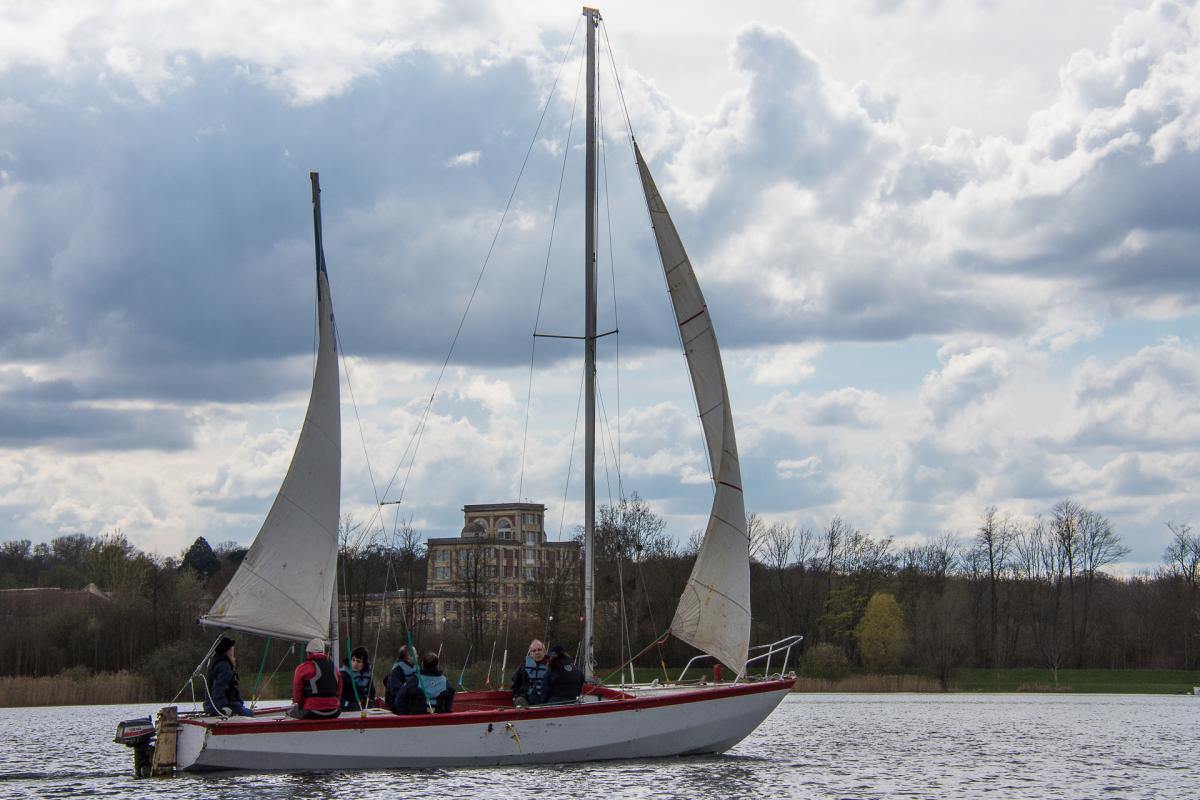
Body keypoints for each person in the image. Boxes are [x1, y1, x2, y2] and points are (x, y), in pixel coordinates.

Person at [287, 637, 342, 720]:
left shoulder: (303, 668)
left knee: (290, 714)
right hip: (334, 711)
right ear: (323, 652)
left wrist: (298, 705)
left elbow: (297, 695)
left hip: (313, 711)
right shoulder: (335, 668)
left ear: (308, 653)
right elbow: (339, 691)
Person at [205, 636, 253, 717]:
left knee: (244, 709)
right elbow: (218, 688)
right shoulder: (225, 667)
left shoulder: (214, 662)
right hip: (222, 706)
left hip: (210, 705)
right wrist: (223, 707)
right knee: (250, 713)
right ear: (228, 651)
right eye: (232, 649)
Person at [385, 647, 426, 715]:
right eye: (415, 654)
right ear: (408, 657)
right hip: (398, 707)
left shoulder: (416, 667)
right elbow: (397, 692)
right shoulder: (397, 670)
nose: (417, 656)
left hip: (413, 704)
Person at [510, 638, 549, 707]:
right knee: (519, 700)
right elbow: (515, 683)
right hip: (527, 699)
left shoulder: (552, 665)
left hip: (546, 699)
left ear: (544, 651)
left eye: (539, 650)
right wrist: (516, 696)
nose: (537, 652)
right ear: (530, 653)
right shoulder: (523, 666)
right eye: (534, 651)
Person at [339, 646, 377, 711]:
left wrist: (369, 704)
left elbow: (371, 694)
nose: (355, 664)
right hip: (347, 710)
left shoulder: (367, 676)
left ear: (364, 664)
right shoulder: (343, 675)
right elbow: (338, 696)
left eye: (358, 661)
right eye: (353, 660)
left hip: (364, 709)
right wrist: (348, 705)